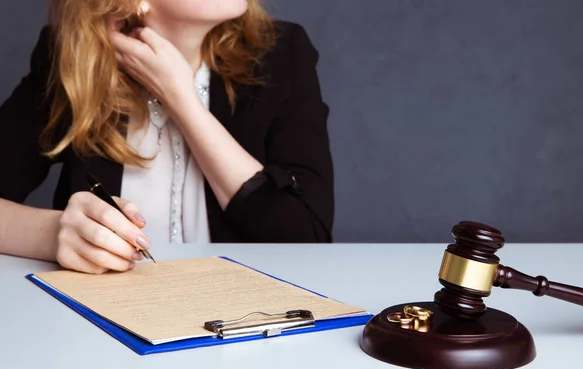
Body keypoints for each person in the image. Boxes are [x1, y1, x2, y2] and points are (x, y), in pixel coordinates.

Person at [0, 0, 334, 274]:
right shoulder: (71, 62)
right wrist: (53, 233)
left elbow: (308, 239)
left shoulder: (281, 55)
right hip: (107, 329)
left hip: (245, 328)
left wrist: (182, 101)